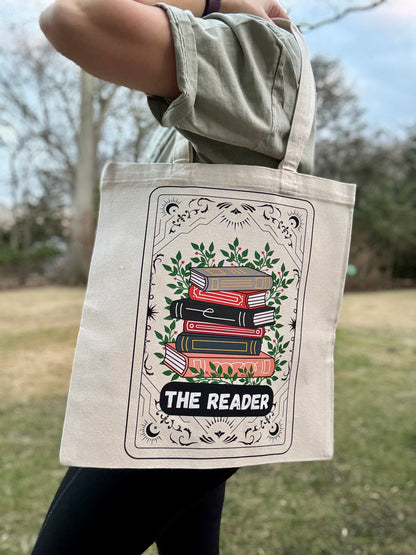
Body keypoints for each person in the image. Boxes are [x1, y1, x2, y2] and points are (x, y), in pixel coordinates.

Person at [33, 1, 315, 553]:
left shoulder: (256, 56)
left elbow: (74, 15)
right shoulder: (226, 68)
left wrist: (213, 5)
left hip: (197, 388)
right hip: (172, 374)